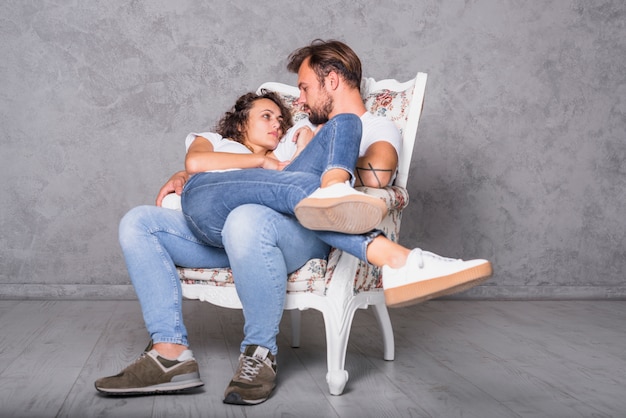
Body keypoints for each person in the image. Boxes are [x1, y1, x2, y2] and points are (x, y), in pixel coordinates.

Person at [95, 40, 492, 406]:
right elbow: (239, 169)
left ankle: (261, 350)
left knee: (336, 133)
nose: (297, 101)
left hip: (295, 232)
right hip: (229, 226)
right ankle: (169, 355)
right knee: (141, 221)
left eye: (303, 88)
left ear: (331, 81)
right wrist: (194, 175)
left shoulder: (370, 126)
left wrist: (323, 163)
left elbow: (379, 177)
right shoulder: (289, 134)